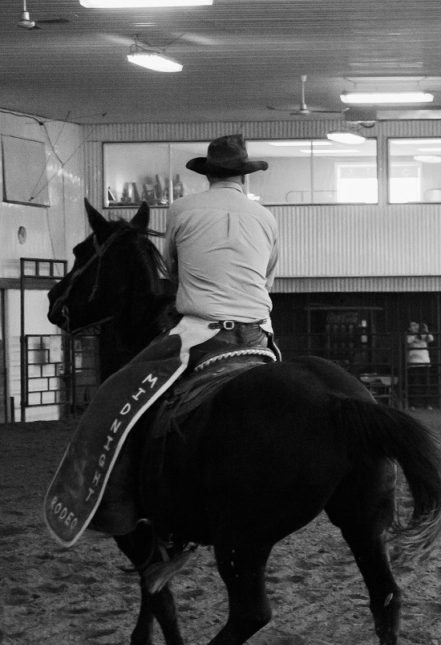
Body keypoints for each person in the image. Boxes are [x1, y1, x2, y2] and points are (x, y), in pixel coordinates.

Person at [44, 134, 280, 592]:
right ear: (245, 174)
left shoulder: (184, 211)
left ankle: (117, 506)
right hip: (259, 335)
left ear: (206, 173)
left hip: (199, 333)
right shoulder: (267, 217)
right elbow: (268, 274)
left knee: (116, 396)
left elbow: (170, 270)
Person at [406, 320, 433, 407]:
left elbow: (431, 339)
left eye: (416, 325)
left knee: (426, 384)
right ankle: (413, 404)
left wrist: (426, 330)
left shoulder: (424, 334)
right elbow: (409, 341)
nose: (415, 327)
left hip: (425, 362)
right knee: (414, 384)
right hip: (413, 363)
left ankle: (427, 403)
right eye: (413, 326)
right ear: (409, 328)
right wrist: (417, 334)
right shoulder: (409, 336)